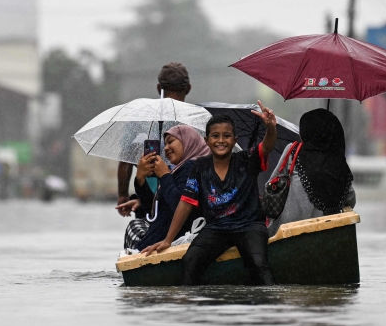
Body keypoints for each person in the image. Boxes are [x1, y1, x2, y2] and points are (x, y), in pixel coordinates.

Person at [142, 103, 278, 286]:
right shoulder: (200, 167)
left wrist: (270, 127)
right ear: (206, 141)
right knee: (191, 260)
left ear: (234, 139)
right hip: (217, 229)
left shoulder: (246, 160)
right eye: (215, 136)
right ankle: (193, 309)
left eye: (226, 136)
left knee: (258, 262)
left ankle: (267, 305)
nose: (220, 141)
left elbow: (267, 146)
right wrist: (168, 240)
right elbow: (185, 203)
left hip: (249, 226)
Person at [116, 62, 192, 218]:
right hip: (183, 201)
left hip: (147, 198)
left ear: (159, 88)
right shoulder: (194, 120)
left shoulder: (140, 117)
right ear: (188, 89)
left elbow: (125, 159)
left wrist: (123, 194)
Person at [116, 125, 208, 251]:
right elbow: (153, 211)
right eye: (165, 144)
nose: (165, 148)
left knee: (134, 227)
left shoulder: (191, 167)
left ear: (188, 141)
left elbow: (180, 207)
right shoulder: (179, 170)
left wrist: (165, 175)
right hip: (164, 235)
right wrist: (141, 179)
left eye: (171, 141)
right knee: (138, 224)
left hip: (171, 239)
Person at [266, 108, 356, 237]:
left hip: (287, 232)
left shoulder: (293, 151)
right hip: (326, 233)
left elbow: (271, 185)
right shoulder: (337, 162)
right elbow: (350, 200)